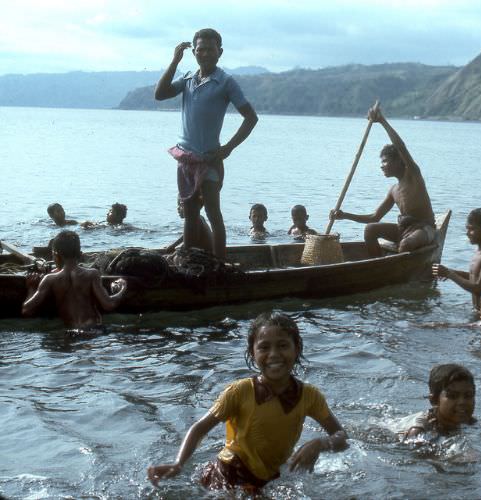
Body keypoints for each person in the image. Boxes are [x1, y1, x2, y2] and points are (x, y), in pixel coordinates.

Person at [147, 312, 348, 493]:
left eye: (283, 345)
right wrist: (178, 463)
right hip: (229, 473)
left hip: (271, 477)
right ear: (253, 354)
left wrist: (321, 444)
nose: (274, 354)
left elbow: (341, 437)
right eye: (264, 347)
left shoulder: (310, 396)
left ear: (297, 349)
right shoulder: (239, 392)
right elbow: (199, 428)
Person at [155, 28, 259, 261]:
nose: (205, 54)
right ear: (194, 52)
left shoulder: (225, 82)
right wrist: (175, 61)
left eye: (210, 49)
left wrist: (227, 149)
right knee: (190, 214)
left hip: (209, 159)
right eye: (200, 50)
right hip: (186, 159)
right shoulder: (189, 79)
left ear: (219, 52)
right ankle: (190, 263)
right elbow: (160, 94)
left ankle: (221, 265)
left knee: (213, 213)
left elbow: (251, 118)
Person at [329, 104, 435, 257]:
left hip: (425, 229)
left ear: (399, 161)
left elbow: (401, 147)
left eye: (385, 161)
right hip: (405, 229)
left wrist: (382, 121)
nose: (382, 166)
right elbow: (375, 218)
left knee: (405, 244)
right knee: (370, 229)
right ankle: (376, 264)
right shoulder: (393, 190)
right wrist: (345, 215)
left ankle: (396, 267)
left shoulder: (413, 175)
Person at [21, 230, 127, 328]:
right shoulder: (92, 274)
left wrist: (31, 288)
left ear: (56, 256)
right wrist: (122, 288)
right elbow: (108, 304)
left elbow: (26, 310)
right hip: (93, 330)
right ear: (80, 254)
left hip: (70, 334)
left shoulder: (49, 279)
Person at [433, 208, 481, 309]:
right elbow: (473, 277)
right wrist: (450, 271)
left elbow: (478, 288)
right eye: (467, 228)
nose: (467, 233)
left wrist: (449, 274)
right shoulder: (480, 251)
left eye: (472, 229)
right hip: (480, 312)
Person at [402, 364, 476, 440]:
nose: (462, 402)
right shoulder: (418, 430)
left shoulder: (470, 421)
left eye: (468, 395)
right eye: (453, 396)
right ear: (434, 400)